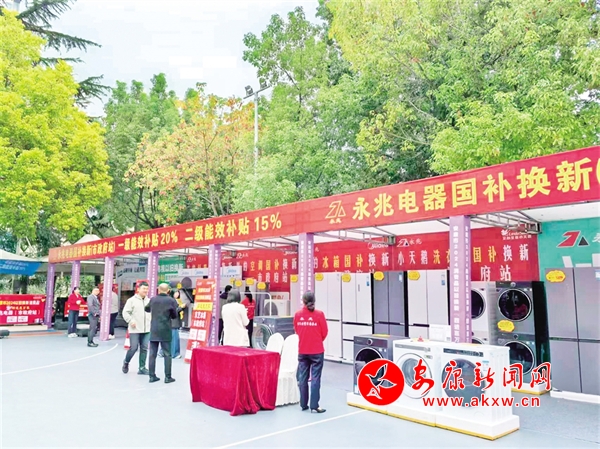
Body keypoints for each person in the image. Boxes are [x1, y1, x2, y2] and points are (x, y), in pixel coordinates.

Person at [294, 291, 328, 413]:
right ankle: (314, 405)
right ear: (314, 300)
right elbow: (324, 332)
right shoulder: (319, 314)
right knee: (315, 378)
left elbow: (297, 330)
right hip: (317, 351)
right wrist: (317, 340)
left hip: (302, 350)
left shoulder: (297, 315)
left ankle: (303, 404)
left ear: (303, 301)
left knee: (302, 378)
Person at [145, 283, 178, 384]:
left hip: (154, 330)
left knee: (152, 354)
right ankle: (168, 377)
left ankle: (151, 376)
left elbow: (146, 309)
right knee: (167, 354)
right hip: (165, 330)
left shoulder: (153, 299)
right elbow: (174, 316)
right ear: (168, 290)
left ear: (158, 290)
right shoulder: (171, 300)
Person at [121, 282, 151, 375]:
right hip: (135, 329)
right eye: (143, 288)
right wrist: (131, 320)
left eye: (147, 289)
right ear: (138, 289)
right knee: (133, 348)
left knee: (144, 348)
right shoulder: (131, 300)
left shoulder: (149, 301)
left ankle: (142, 368)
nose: (145, 290)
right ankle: (126, 362)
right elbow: (125, 312)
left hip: (147, 329)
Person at [159, 290, 189, 359]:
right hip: (173, 322)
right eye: (176, 292)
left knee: (166, 338)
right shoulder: (172, 301)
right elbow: (173, 311)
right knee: (174, 339)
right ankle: (174, 353)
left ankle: (163, 352)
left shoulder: (167, 300)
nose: (177, 294)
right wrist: (181, 308)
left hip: (167, 322)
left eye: (178, 292)